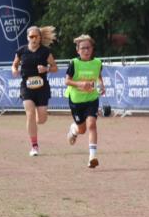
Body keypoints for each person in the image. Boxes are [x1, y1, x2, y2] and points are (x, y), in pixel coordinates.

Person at [11, 26, 58, 157]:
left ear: (40, 38)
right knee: (30, 113)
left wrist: (46, 69)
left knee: (41, 119)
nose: (34, 39)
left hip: (42, 88)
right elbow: (14, 64)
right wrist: (14, 70)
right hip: (26, 87)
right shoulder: (21, 51)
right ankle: (34, 146)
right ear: (27, 38)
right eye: (31, 37)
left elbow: (55, 67)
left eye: (36, 36)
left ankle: (35, 122)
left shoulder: (45, 52)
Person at [64, 35, 105, 168]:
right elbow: (67, 81)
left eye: (88, 48)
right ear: (77, 50)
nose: (86, 51)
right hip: (76, 100)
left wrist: (101, 86)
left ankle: (92, 157)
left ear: (92, 49)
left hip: (91, 99)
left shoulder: (98, 63)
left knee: (91, 125)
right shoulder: (74, 63)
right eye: (83, 48)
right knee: (82, 130)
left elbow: (98, 77)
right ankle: (74, 130)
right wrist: (80, 84)